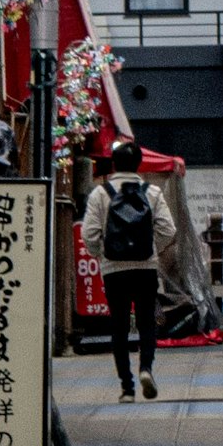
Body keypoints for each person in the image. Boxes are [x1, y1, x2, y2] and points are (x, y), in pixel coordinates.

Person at [81, 161, 164, 398]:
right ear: (137, 162)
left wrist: (102, 253)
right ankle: (146, 368)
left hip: (113, 269)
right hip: (146, 266)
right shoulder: (152, 192)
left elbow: (89, 234)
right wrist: (151, 247)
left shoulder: (100, 192)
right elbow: (169, 229)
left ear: (114, 163)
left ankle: (127, 388)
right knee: (147, 321)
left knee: (119, 326)